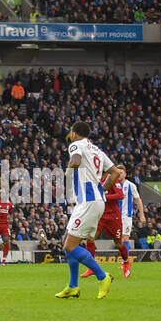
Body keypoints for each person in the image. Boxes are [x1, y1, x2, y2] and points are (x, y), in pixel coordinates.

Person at [55, 121, 117, 301]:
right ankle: (73, 287)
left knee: (69, 246)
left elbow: (75, 160)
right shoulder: (97, 150)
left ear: (74, 134)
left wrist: (67, 171)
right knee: (67, 241)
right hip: (92, 200)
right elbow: (114, 173)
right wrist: (102, 189)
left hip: (89, 202)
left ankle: (102, 276)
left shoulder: (75, 144)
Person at [81, 165, 130, 279]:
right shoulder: (96, 180)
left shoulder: (113, 179)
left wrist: (104, 196)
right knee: (90, 238)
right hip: (101, 214)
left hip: (114, 217)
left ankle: (126, 261)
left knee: (118, 243)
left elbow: (120, 195)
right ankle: (91, 268)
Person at [117, 170, 144, 277]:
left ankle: (125, 262)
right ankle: (124, 261)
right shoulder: (114, 184)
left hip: (126, 216)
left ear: (125, 174)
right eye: (117, 173)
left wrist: (141, 214)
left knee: (125, 238)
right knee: (118, 240)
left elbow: (138, 200)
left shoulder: (131, 185)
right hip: (116, 216)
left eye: (121, 172)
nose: (119, 174)